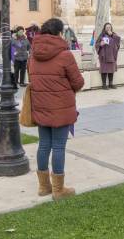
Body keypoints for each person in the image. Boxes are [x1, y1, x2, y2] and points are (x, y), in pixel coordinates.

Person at [28, 18, 85, 200]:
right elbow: (78, 82)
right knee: (59, 146)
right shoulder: (65, 55)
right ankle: (58, 190)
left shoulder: (33, 54)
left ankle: (44, 187)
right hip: (60, 107)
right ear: (59, 33)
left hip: (40, 105)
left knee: (44, 145)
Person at [95, 23, 121, 90]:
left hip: (112, 55)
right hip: (104, 55)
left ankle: (110, 84)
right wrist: (100, 44)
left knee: (111, 70)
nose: (108, 28)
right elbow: (96, 44)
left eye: (109, 27)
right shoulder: (102, 35)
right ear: (104, 28)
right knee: (104, 70)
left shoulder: (114, 35)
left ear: (111, 28)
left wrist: (112, 35)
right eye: (107, 27)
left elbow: (118, 41)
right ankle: (104, 85)